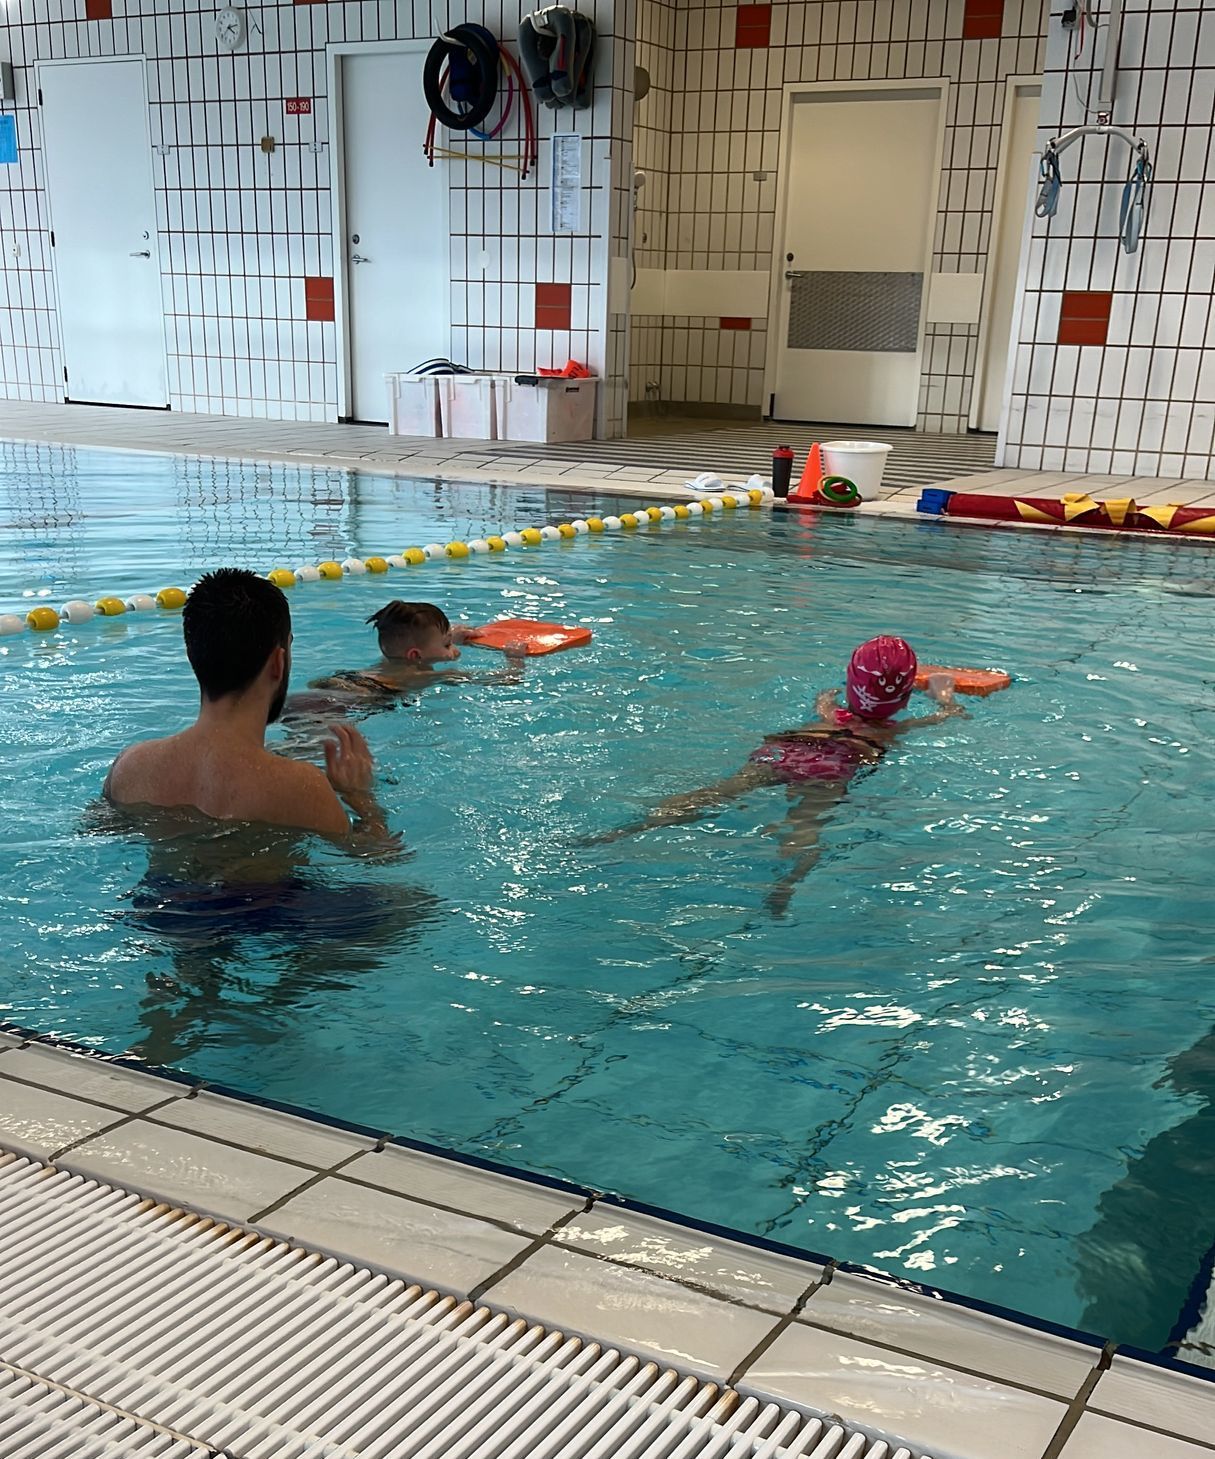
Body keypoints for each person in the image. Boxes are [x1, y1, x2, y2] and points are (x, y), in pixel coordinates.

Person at [587, 636, 966, 917]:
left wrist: (830, 696)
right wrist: (944, 695)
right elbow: (948, 716)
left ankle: (626, 831)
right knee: (806, 825)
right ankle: (786, 884)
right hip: (836, 763)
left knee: (719, 791)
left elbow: (824, 698)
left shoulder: (830, 711)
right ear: (903, 699)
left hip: (791, 746)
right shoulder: (891, 731)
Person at [104, 567, 390, 842]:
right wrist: (361, 798)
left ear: (192, 655)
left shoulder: (129, 767)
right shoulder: (302, 789)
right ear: (278, 662)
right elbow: (378, 855)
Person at [290, 600, 524, 717]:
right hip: (359, 699)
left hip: (341, 682)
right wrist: (514, 660)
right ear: (415, 656)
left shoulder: (391, 658)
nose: (454, 650)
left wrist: (450, 637)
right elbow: (506, 680)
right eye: (447, 644)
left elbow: (420, 645)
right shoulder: (433, 675)